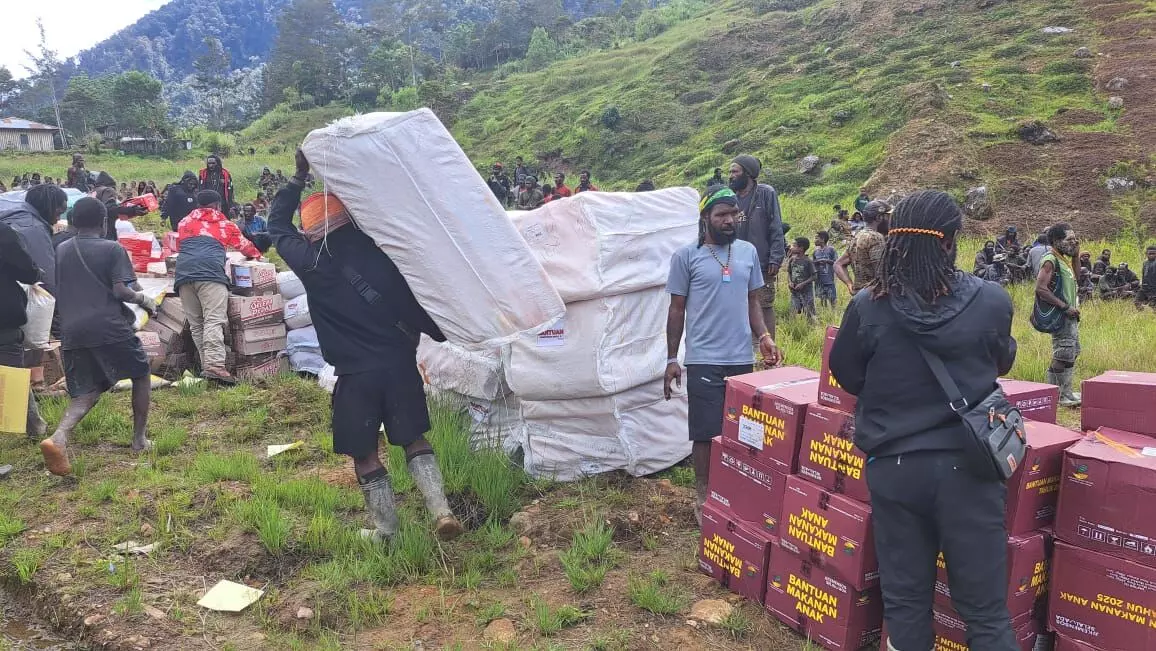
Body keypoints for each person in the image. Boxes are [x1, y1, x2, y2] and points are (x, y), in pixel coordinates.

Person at [829, 189, 1018, 651]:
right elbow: (1001, 362)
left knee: (906, 603)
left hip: (895, 469)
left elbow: (846, 373)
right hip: (970, 470)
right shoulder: (991, 301)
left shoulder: (868, 307)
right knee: (987, 613)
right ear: (951, 242)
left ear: (894, 240)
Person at [269, 150, 464, 542]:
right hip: (399, 366)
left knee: (365, 453)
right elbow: (420, 306)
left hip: (355, 375)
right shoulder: (385, 254)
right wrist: (449, 331)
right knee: (414, 439)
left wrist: (297, 178)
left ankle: (387, 532)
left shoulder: (311, 262)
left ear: (313, 231)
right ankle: (441, 510)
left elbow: (275, 226)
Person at [664, 186, 781, 524]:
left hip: (740, 357)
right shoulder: (686, 257)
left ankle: (737, 488)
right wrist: (672, 358)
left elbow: (752, 301)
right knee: (705, 431)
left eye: (733, 214)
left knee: (743, 428)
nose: (730, 220)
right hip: (703, 358)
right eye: (722, 215)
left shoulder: (747, 253)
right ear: (705, 219)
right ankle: (703, 493)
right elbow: (676, 310)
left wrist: (764, 336)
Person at [40, 198, 157, 476]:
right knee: (140, 373)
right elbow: (121, 291)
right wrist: (144, 300)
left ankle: (59, 437)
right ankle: (139, 440)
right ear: (105, 222)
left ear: (73, 222)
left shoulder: (62, 249)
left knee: (90, 389)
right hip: (109, 326)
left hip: (72, 330)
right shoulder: (112, 248)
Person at [176, 190, 261, 384]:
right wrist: (257, 256)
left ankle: (208, 365)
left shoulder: (184, 222)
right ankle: (215, 366)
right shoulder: (225, 225)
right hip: (210, 275)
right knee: (214, 319)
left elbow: (182, 245)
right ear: (217, 205)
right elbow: (245, 247)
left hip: (183, 274)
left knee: (197, 323)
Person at [728, 155, 786, 338]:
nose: (731, 175)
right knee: (739, 306)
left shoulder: (765, 193)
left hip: (761, 263)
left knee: (764, 304)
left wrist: (776, 257)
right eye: (730, 172)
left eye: (735, 171)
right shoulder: (731, 198)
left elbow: (775, 226)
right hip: (735, 263)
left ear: (748, 173)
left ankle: (767, 351)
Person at [0, 220, 44, 442]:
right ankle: (32, 426)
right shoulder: (3, 233)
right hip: (3, 320)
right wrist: (36, 272)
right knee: (10, 371)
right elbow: (27, 270)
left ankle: (34, 425)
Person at [1035, 223, 1082, 407]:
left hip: (1070, 315)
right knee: (1062, 353)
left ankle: (1067, 392)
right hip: (1061, 314)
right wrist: (1065, 307)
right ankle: (1055, 395)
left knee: (1072, 352)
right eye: (1069, 239)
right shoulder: (1050, 260)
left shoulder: (1063, 260)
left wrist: (1076, 256)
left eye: (1074, 238)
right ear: (1056, 241)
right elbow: (1040, 288)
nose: (1074, 241)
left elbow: (1078, 278)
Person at [835, 200, 891, 295]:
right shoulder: (876, 237)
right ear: (879, 217)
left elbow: (838, 264)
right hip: (874, 296)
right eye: (888, 216)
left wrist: (850, 285)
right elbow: (881, 274)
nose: (890, 220)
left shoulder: (857, 236)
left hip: (859, 295)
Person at [91, 172, 148, 242]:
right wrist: (133, 210)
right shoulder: (108, 190)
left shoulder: (93, 191)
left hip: (91, 229)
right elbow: (110, 209)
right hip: (106, 229)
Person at [787, 236, 817, 320]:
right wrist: (790, 282)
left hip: (806, 292)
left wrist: (803, 284)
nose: (791, 247)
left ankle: (811, 329)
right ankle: (793, 328)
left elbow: (814, 276)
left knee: (809, 313)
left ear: (801, 248)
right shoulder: (792, 259)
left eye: (794, 245)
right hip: (795, 292)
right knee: (793, 311)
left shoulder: (808, 261)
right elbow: (789, 272)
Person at [813, 230, 838, 308]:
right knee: (822, 299)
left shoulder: (831, 250)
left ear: (823, 239)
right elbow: (813, 263)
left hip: (829, 279)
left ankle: (834, 314)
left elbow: (836, 262)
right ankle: (825, 313)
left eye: (817, 238)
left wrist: (827, 261)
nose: (815, 240)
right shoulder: (815, 252)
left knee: (832, 298)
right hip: (819, 280)